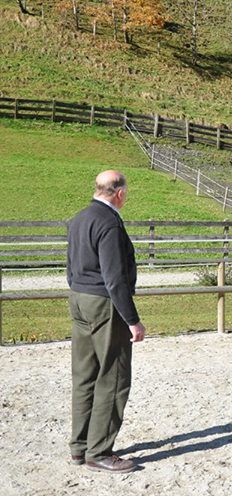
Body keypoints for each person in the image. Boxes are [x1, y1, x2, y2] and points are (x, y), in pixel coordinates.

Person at [66, 170, 146, 474]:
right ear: (120, 193)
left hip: (79, 298)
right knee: (113, 377)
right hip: (104, 304)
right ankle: (99, 452)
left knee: (84, 375)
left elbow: (70, 268)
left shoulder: (79, 218)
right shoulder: (110, 224)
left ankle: (79, 447)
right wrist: (132, 319)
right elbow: (114, 279)